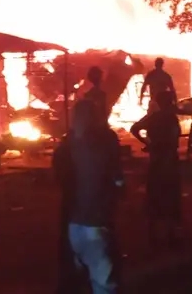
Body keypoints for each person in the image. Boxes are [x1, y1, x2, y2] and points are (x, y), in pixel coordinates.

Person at [53, 99, 124, 294]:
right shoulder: (102, 143)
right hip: (96, 222)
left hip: (74, 223)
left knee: (77, 278)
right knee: (104, 283)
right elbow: (116, 178)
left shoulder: (68, 144)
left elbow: (59, 176)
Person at [130, 92, 182, 246]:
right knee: (171, 196)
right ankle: (171, 232)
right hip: (169, 161)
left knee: (154, 196)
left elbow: (134, 128)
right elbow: (174, 139)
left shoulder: (153, 118)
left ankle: (153, 234)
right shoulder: (171, 119)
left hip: (156, 161)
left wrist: (147, 142)